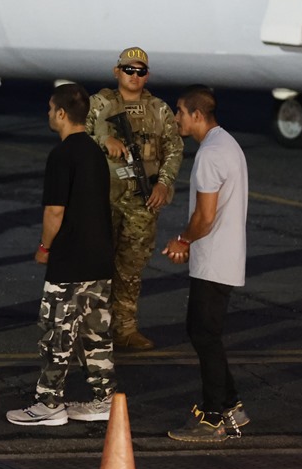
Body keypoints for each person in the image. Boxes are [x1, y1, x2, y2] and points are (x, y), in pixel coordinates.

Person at [6, 83, 117, 427]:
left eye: (50, 109)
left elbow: (55, 211)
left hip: (69, 261)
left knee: (57, 333)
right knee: (95, 335)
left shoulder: (63, 155)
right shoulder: (96, 152)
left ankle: (49, 403)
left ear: (61, 114)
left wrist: (44, 248)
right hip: (99, 259)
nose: (48, 114)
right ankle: (104, 399)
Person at [163, 85, 249, 443]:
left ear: (197, 115)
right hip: (222, 258)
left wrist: (183, 240)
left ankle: (213, 418)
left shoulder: (211, 155)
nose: (176, 118)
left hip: (213, 260)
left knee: (204, 335)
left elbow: (205, 215)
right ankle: (231, 406)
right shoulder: (226, 143)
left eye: (180, 112)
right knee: (203, 333)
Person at [85, 46, 184, 350]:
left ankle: (125, 330)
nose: (135, 76)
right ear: (117, 72)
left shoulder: (159, 109)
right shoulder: (99, 104)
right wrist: (104, 139)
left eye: (141, 71)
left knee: (131, 266)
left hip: (143, 200)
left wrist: (164, 184)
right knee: (96, 265)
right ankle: (93, 331)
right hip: (104, 197)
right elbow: (75, 137)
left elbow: (174, 148)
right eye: (129, 70)